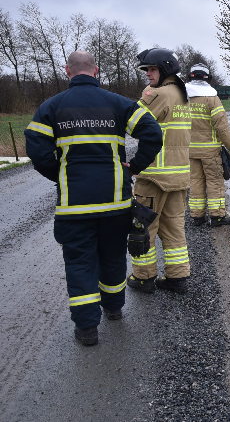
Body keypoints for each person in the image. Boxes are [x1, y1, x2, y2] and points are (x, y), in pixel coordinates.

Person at [24, 50, 162, 346]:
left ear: (67, 71)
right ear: (96, 70)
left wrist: (60, 175)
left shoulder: (52, 107)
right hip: (115, 204)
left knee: (80, 263)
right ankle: (113, 309)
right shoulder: (119, 103)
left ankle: (87, 329)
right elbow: (152, 132)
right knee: (112, 256)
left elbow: (36, 150)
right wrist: (133, 167)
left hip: (75, 207)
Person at [127, 48, 192, 294]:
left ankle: (144, 277)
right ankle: (177, 278)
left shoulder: (159, 94)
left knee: (143, 227)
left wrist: (143, 98)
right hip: (178, 177)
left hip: (154, 176)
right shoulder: (181, 94)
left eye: (151, 70)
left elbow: (132, 123)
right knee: (174, 229)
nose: (148, 75)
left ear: (164, 69)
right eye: (146, 70)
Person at [186, 63, 230, 226]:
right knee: (215, 182)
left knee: (195, 181)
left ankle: (197, 216)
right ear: (208, 78)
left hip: (189, 150)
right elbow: (221, 127)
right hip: (210, 151)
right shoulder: (212, 99)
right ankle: (217, 216)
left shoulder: (182, 98)